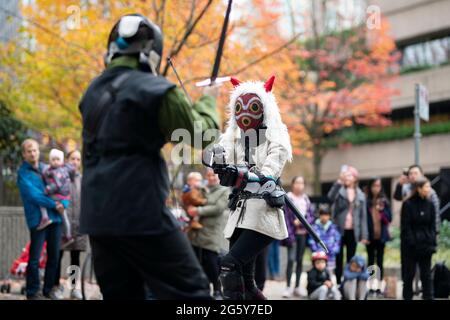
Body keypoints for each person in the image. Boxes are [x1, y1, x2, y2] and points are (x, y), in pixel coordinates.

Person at [79, 14, 219, 299]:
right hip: (140, 213)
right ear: (151, 52)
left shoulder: (92, 91)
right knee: (191, 291)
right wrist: (209, 100)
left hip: (97, 218)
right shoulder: (157, 90)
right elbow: (200, 136)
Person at [213, 75, 292, 300]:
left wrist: (241, 173)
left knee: (229, 264)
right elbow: (223, 161)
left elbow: (269, 171)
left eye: (253, 106)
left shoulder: (276, 138)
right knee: (246, 281)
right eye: (240, 107)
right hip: (240, 212)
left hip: (263, 212)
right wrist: (219, 162)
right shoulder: (236, 140)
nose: (245, 112)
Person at [16, 139, 65, 299]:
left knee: (54, 256)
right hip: (38, 220)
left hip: (55, 218)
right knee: (35, 258)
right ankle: (32, 292)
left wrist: (63, 203)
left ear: (39, 151)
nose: (33, 153)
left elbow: (62, 185)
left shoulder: (48, 168)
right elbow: (34, 195)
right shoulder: (23, 173)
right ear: (24, 154)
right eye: (29, 151)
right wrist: (54, 203)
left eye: (35, 150)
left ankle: (48, 289)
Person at [394, 164, 440, 290]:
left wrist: (434, 235)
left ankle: (421, 290)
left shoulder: (429, 192)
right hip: (409, 239)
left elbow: (435, 216)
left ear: (422, 174)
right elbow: (397, 197)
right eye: (410, 173)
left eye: (415, 173)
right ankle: (410, 292)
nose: (412, 176)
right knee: (408, 272)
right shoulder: (406, 189)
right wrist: (399, 184)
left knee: (425, 272)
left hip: (425, 239)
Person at [187, 168, 229, 299]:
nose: (211, 178)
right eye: (209, 175)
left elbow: (218, 208)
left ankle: (217, 290)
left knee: (212, 263)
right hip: (197, 233)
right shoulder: (203, 189)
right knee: (197, 264)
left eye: (214, 175)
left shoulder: (224, 190)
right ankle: (201, 290)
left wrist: (198, 211)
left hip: (212, 233)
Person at [54, 150, 87, 300]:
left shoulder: (84, 180)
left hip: (79, 225)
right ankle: (56, 287)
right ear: (67, 160)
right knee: (57, 257)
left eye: (78, 159)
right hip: (62, 224)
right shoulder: (60, 177)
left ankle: (74, 288)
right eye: (72, 158)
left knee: (75, 259)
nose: (75, 162)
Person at [328, 165, 368, 284]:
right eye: (346, 175)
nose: (347, 177)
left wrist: (364, 235)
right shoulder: (340, 190)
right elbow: (330, 197)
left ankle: (348, 282)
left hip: (353, 230)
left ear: (355, 178)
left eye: (350, 175)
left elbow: (363, 216)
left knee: (351, 258)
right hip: (339, 229)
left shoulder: (360, 194)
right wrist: (339, 182)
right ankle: (339, 281)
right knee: (339, 257)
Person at [401, 177, 437, 300]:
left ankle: (428, 297)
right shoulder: (407, 204)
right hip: (411, 247)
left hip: (426, 246)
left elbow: (433, 225)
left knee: (426, 276)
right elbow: (406, 227)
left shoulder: (430, 204)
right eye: (426, 187)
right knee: (409, 275)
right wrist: (412, 242)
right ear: (419, 188)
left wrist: (432, 240)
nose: (429, 189)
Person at [282, 176, 314, 298]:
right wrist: (291, 231)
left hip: (303, 234)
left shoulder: (306, 199)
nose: (300, 185)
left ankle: (297, 287)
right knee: (291, 260)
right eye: (297, 183)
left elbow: (311, 215)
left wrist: (304, 221)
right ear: (292, 184)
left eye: (302, 183)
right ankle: (288, 286)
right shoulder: (288, 198)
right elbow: (285, 218)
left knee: (300, 260)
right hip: (292, 234)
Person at [41, 149, 75, 248]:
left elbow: (57, 185)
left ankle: (45, 217)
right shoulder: (63, 170)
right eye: (53, 159)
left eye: (58, 159)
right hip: (63, 197)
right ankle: (68, 235)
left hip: (59, 197)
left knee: (42, 200)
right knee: (64, 217)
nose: (55, 161)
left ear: (62, 161)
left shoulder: (58, 172)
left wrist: (47, 189)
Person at [365, 177, 392, 297]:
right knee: (371, 261)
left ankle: (379, 288)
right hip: (370, 237)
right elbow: (364, 219)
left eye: (378, 186)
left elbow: (389, 218)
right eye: (374, 186)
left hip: (381, 237)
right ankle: (370, 287)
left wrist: (382, 211)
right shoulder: (367, 201)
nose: (376, 188)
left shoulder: (384, 201)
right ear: (370, 187)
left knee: (380, 261)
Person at [308, 204, 341, 274]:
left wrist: (332, 251)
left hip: (331, 256)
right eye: (322, 215)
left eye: (326, 215)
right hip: (318, 256)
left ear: (329, 216)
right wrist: (317, 251)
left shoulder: (333, 227)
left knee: (329, 274)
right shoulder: (314, 227)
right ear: (319, 215)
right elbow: (311, 241)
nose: (324, 217)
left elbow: (337, 241)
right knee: (317, 273)